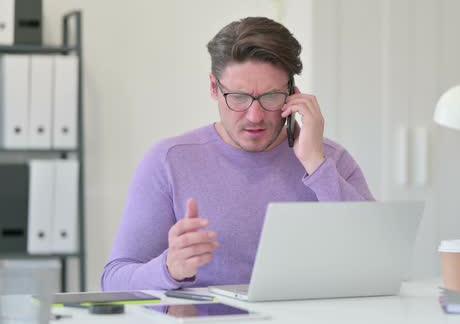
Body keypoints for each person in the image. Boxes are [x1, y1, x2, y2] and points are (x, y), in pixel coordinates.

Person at [101, 17, 374, 291]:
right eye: (239, 97)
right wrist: (169, 269)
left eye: (271, 96)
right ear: (213, 88)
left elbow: (376, 260)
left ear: (292, 93)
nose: (255, 116)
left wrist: (315, 163)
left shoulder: (330, 160)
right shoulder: (169, 161)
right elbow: (113, 281)